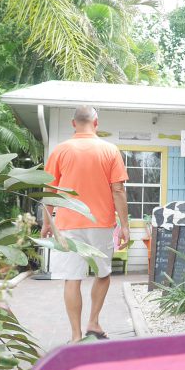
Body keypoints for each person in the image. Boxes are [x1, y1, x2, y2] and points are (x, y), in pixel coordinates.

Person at [40, 106, 129, 343]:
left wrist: (47, 222)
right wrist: (126, 225)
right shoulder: (110, 150)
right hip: (100, 223)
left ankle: (76, 335)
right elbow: (118, 190)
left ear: (73, 124)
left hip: (68, 223)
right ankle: (94, 321)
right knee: (103, 273)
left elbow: (49, 191)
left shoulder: (60, 150)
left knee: (72, 278)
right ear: (96, 123)